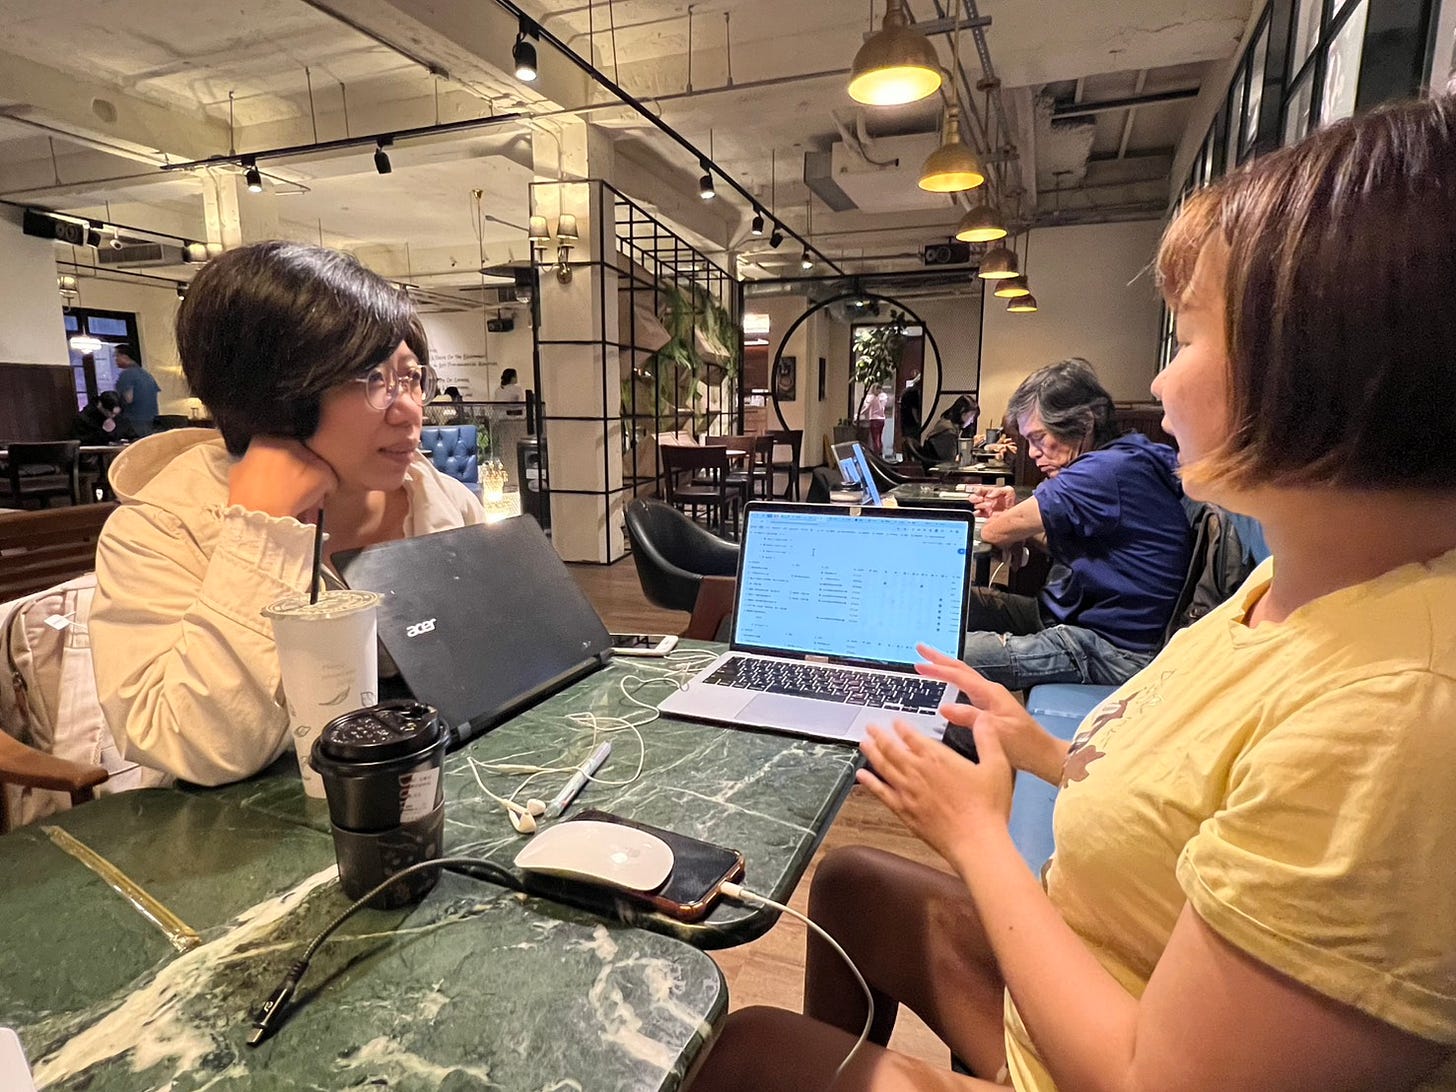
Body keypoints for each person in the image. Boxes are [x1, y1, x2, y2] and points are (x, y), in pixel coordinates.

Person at [686, 94, 1456, 1092]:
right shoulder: (1293, 582)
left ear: (1324, 364)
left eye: (1189, 340)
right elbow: (1181, 785)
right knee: (850, 881)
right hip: (1105, 961)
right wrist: (1033, 744)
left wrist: (975, 834)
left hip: (1111, 1059)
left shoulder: (1397, 712)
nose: (1160, 385)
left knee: (743, 1050)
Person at [90, 242, 486, 786]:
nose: (410, 411)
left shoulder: (439, 497)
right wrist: (262, 532)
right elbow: (194, 746)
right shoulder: (163, 529)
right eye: (374, 380)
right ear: (278, 393)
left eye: (412, 377)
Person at [957, 359, 1192, 689]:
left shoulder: (1103, 471)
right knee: (955, 602)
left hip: (1114, 650)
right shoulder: (1130, 453)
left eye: (1039, 438)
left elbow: (995, 532)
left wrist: (1011, 521)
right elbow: (1080, 546)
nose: (1033, 453)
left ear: (1084, 423)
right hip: (1074, 616)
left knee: (940, 653)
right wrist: (1020, 521)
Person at [113, 343, 161, 438]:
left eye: (117, 356)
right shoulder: (146, 375)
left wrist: (116, 407)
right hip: (151, 422)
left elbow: (128, 398)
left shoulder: (127, 374)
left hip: (133, 423)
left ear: (125, 357)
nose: (115, 359)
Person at [921, 395, 976, 463]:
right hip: (939, 467)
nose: (972, 421)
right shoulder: (949, 432)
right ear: (963, 414)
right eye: (971, 416)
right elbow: (950, 461)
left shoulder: (947, 422)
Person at [71, 390, 135, 445]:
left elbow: (131, 434)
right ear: (101, 405)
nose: (113, 416)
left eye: (116, 414)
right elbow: (82, 442)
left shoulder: (120, 416)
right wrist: (104, 434)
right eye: (111, 413)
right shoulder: (84, 419)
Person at [857, 383, 889, 456]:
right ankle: (880, 453)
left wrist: (859, 414)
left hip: (874, 419)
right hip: (882, 419)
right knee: (879, 437)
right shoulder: (883, 397)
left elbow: (867, 408)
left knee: (875, 438)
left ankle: (876, 454)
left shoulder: (873, 398)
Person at [897, 369, 923, 451]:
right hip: (912, 423)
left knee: (907, 442)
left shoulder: (906, 391)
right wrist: (918, 422)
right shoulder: (914, 393)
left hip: (905, 421)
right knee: (913, 443)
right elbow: (914, 409)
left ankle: (906, 456)